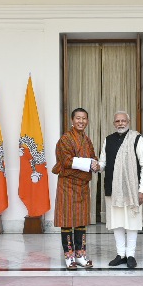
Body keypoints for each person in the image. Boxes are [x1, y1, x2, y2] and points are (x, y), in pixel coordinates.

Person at [98, 111, 143, 269]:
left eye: (123, 120)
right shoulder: (108, 140)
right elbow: (102, 163)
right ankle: (121, 254)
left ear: (129, 121)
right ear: (114, 123)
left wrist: (142, 190)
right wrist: (96, 166)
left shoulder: (137, 138)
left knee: (132, 221)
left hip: (132, 189)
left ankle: (131, 254)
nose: (120, 123)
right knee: (117, 221)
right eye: (117, 121)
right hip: (112, 188)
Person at [52, 108, 99, 270]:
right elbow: (66, 161)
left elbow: (93, 156)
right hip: (67, 185)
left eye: (84, 118)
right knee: (67, 221)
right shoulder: (65, 139)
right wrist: (89, 164)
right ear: (72, 120)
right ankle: (69, 256)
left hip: (83, 185)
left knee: (81, 221)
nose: (81, 121)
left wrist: (96, 163)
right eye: (78, 118)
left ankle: (80, 255)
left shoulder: (87, 139)